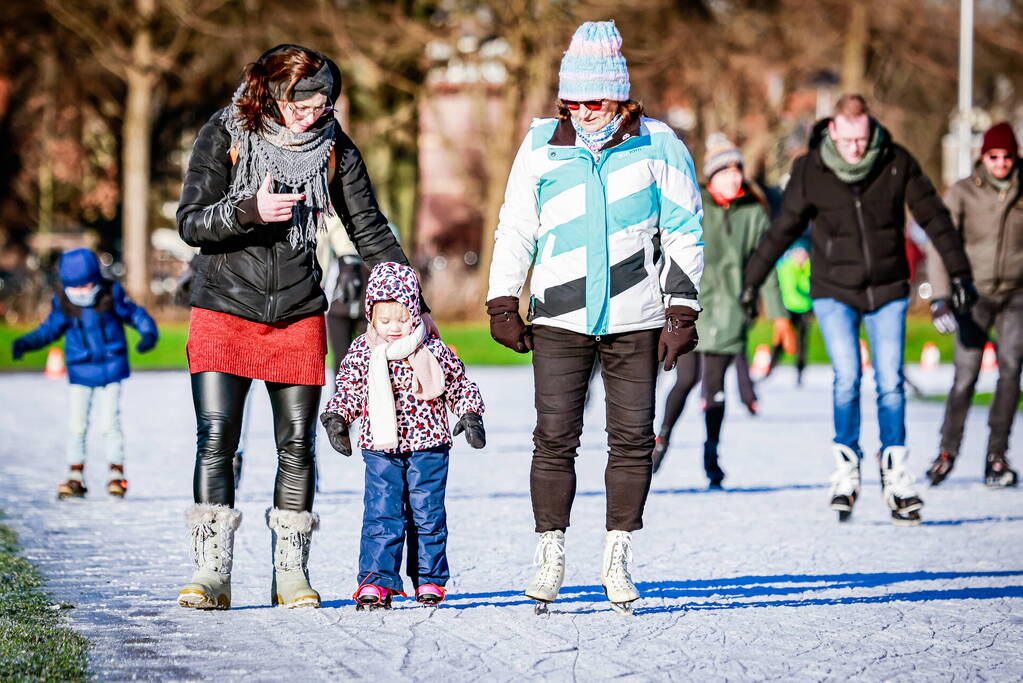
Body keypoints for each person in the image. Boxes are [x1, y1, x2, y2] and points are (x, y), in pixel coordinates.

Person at [175, 44, 428, 610]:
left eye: (322, 104)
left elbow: (370, 228)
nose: (311, 114)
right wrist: (247, 212)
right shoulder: (227, 132)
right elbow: (191, 221)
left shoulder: (334, 148)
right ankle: (211, 572)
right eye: (301, 102)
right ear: (272, 91)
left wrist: (412, 299)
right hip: (222, 307)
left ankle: (291, 572)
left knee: (297, 447)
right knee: (217, 439)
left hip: (297, 311)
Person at [486, 21, 703, 614]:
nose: (583, 111)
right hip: (559, 315)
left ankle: (617, 553)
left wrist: (681, 308)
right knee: (555, 438)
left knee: (632, 441)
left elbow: (684, 228)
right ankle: (550, 551)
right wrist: (503, 299)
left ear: (621, 97)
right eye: (572, 100)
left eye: (595, 100)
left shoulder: (661, 144)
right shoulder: (540, 144)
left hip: (637, 316)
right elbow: (516, 227)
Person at [741, 94, 977, 525]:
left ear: (871, 130)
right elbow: (783, 228)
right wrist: (750, 281)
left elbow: (935, 217)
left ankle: (896, 476)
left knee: (890, 382)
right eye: (848, 140)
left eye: (861, 139)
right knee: (847, 378)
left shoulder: (895, 160)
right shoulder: (812, 169)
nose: (855, 149)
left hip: (887, 289)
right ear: (833, 131)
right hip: (833, 289)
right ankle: (846, 471)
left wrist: (959, 273)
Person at [320, 262, 485, 608]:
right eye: (385, 320)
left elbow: (457, 384)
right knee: (382, 511)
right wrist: (337, 416)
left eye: (402, 318)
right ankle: (376, 580)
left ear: (414, 312)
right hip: (381, 448)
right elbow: (349, 387)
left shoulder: (432, 348)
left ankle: (429, 579)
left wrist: (470, 413)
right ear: (371, 316)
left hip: (429, 446)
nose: (394, 328)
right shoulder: (363, 352)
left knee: (427, 512)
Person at [651, 135, 795, 484]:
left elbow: (767, 266)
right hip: (691, 309)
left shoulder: (753, 213)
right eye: (726, 172)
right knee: (685, 380)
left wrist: (779, 316)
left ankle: (711, 453)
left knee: (714, 389)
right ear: (711, 177)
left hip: (731, 311)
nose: (734, 178)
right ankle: (661, 440)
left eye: (738, 172)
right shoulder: (693, 206)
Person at [11, 247, 157, 499]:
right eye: (75, 287)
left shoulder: (110, 294)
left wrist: (148, 333)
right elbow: (49, 329)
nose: (81, 292)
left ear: (96, 279)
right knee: (77, 425)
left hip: (111, 367)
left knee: (110, 423)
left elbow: (134, 314)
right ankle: (75, 474)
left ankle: (116, 473)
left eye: (86, 285)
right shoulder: (64, 301)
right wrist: (25, 342)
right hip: (80, 370)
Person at [926, 122, 1022, 488]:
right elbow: (939, 244)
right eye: (994, 156)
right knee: (965, 376)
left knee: (1011, 369)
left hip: (1016, 295)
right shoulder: (964, 192)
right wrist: (941, 297)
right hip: (973, 294)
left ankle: (997, 456)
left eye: (1007, 157)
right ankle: (947, 451)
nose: (1001, 163)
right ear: (983, 157)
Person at [769, 237, 813, 385]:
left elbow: (809, 287)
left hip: (804, 308)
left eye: (803, 253)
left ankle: (800, 372)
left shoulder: (808, 267)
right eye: (798, 253)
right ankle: (770, 368)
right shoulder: (785, 266)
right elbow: (783, 287)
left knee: (802, 342)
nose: (801, 256)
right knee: (780, 340)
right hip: (786, 309)